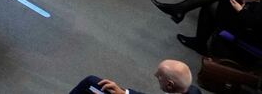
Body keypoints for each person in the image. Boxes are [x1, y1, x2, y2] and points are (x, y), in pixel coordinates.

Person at [67, 60, 199, 94]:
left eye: (159, 76)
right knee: (92, 82)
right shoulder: (191, 90)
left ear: (170, 84)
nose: (155, 75)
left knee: (89, 84)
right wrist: (125, 93)